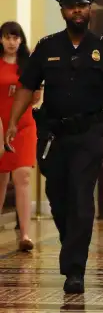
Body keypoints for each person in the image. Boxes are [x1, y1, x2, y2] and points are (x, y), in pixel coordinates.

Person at [6, 0, 103, 294]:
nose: (77, 11)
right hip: (54, 134)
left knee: (80, 197)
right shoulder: (46, 46)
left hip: (90, 133)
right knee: (58, 198)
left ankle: (75, 268)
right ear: (62, 10)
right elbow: (26, 87)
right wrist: (12, 122)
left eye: (82, 5)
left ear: (90, 9)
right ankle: (71, 243)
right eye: (70, 6)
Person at [0, 22, 41, 251]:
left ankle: (25, 234)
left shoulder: (28, 65)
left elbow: (36, 96)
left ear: (21, 40)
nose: (11, 42)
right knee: (0, 180)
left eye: (15, 38)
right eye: (7, 37)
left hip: (24, 126)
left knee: (23, 177)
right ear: (1, 40)